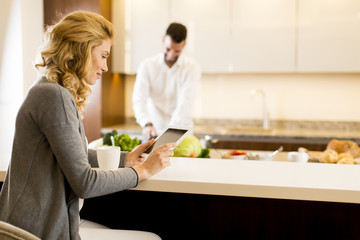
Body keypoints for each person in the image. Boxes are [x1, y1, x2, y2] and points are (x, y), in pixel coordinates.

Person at [0, 11, 175, 240]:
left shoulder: (48, 90)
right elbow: (85, 183)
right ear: (81, 49)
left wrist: (125, 159)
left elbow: (71, 156)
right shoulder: (54, 96)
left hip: (35, 226)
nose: (105, 66)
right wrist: (142, 171)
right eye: (103, 55)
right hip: (34, 233)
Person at [132, 22, 201, 139]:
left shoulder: (192, 68)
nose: (171, 55)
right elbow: (139, 98)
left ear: (184, 45)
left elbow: (185, 103)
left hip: (180, 132)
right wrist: (146, 123)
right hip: (154, 130)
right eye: (168, 49)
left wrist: (170, 134)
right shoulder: (147, 66)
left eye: (177, 51)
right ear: (163, 40)